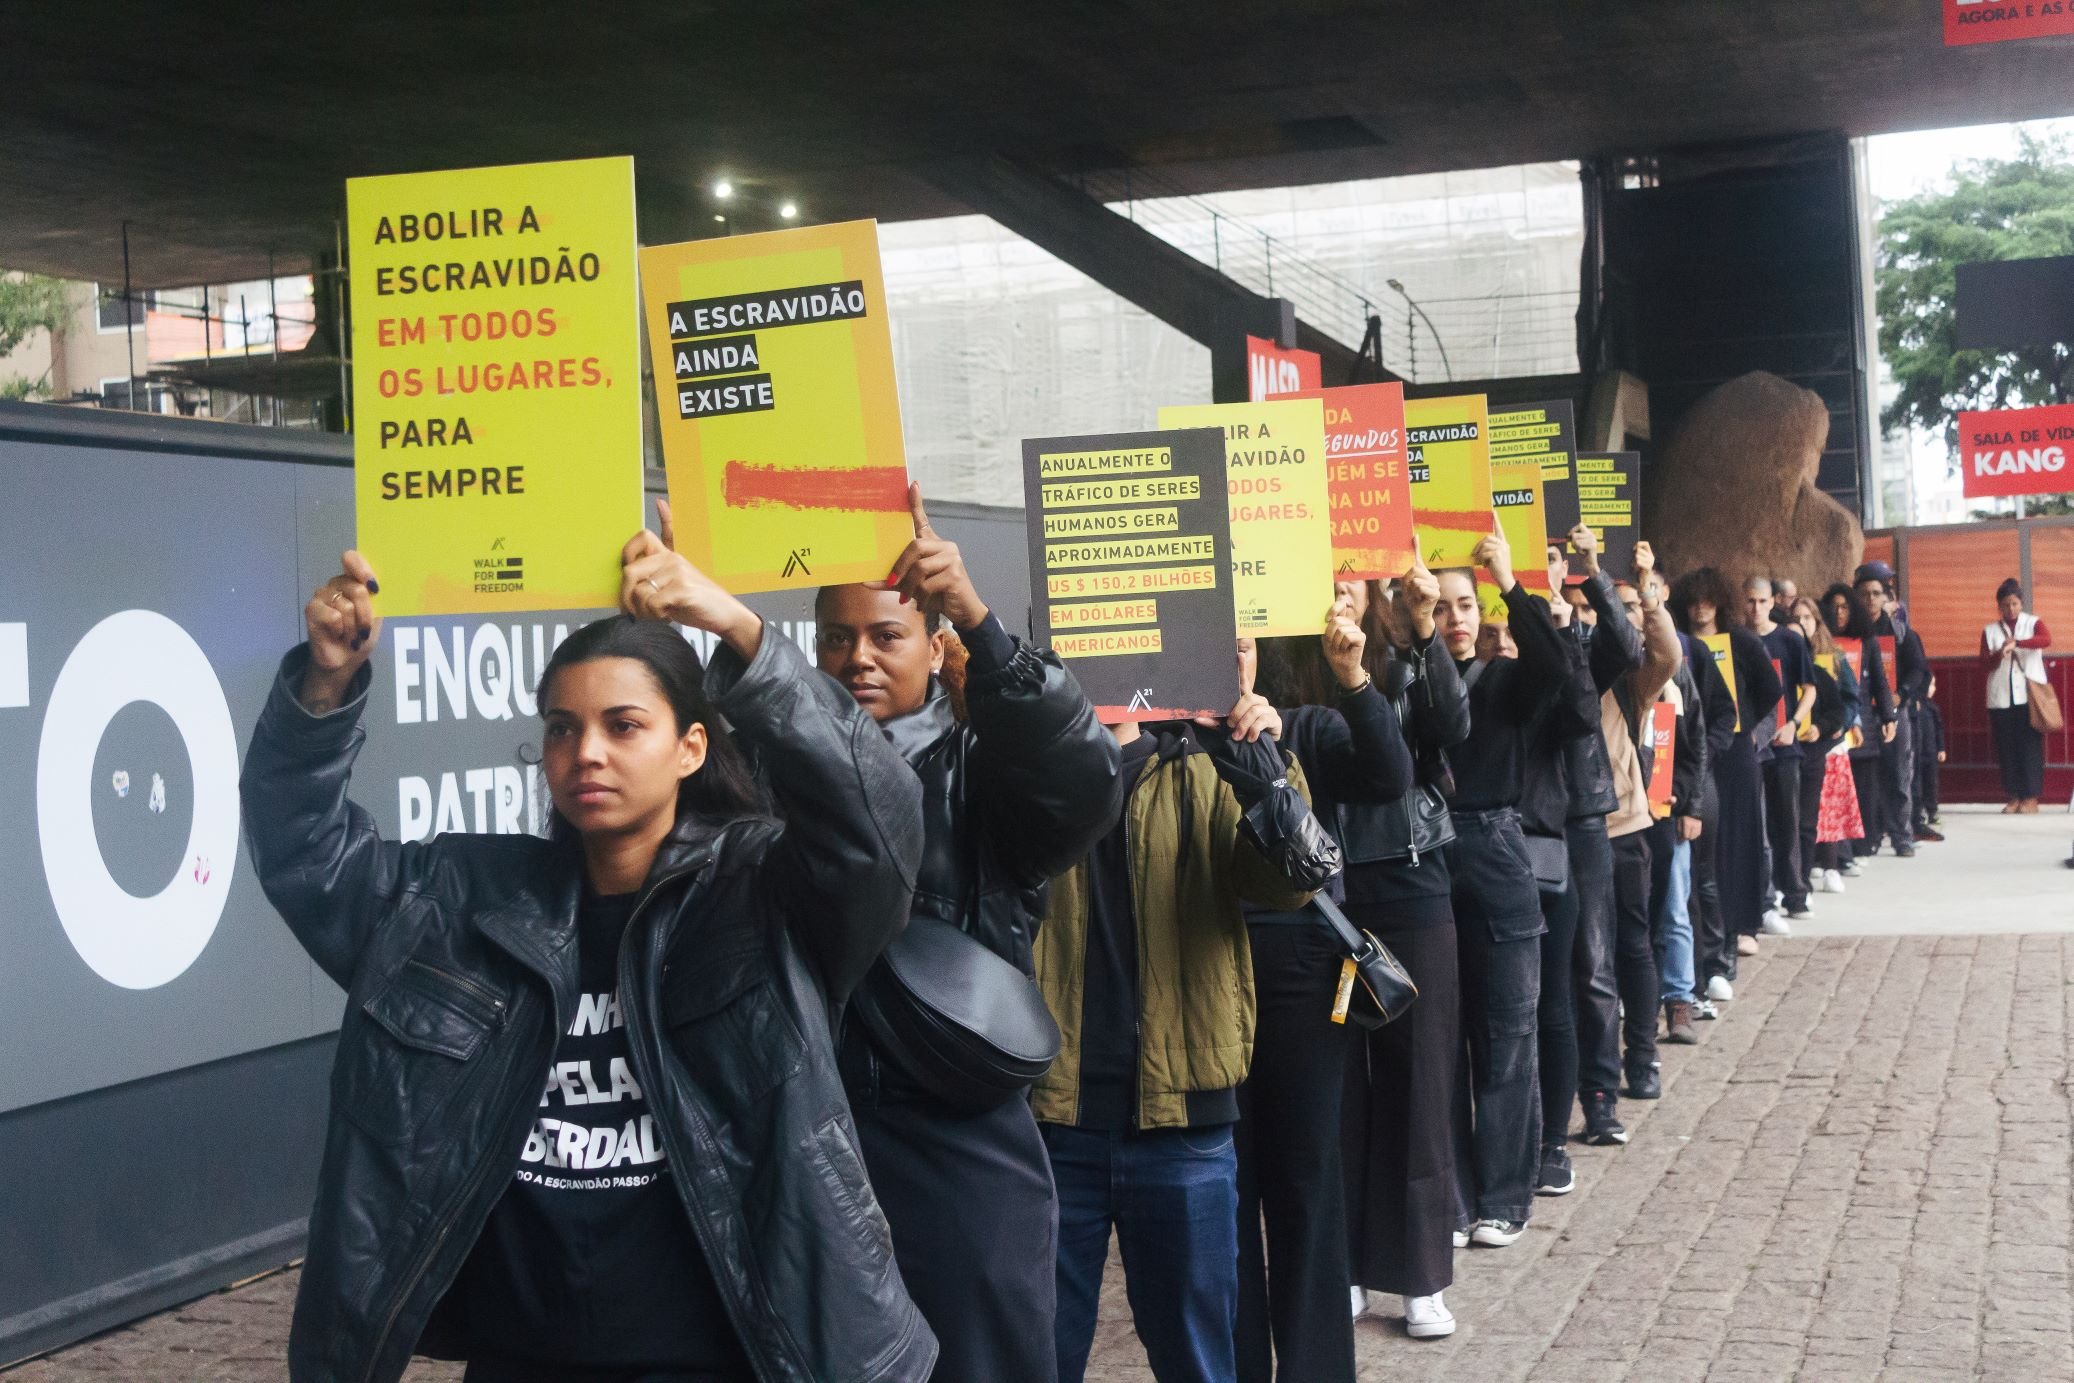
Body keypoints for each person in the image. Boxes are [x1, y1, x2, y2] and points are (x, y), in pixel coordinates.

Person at [240, 537, 938, 1383]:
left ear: (690, 747)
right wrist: (326, 682)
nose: (587, 753)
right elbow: (307, 851)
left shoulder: (762, 894)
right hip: (519, 1359)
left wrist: (729, 622)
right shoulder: (460, 902)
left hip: (717, 1358)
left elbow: (881, 826)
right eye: (563, 729)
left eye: (623, 725)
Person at [815, 485, 1123, 1383]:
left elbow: (1083, 780)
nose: (858, 657)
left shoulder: (982, 776)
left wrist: (983, 626)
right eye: (838, 636)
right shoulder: (774, 772)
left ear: (931, 643)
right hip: (822, 1144)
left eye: (886, 635)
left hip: (961, 1141)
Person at [1035, 645, 1324, 1383]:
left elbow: (1294, 881)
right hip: (1052, 1121)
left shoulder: (1207, 760)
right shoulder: (1029, 762)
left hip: (1183, 1126)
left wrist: (1260, 763)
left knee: (1199, 1359)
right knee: (1038, 1354)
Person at [1240, 599, 1417, 1381]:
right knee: (1224, 1193)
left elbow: (1388, 773)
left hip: (1306, 982)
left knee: (1307, 1183)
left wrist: (1353, 679)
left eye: (1237, 645)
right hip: (1202, 984)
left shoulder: (1298, 729)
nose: (1224, 662)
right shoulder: (1161, 743)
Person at [1436, 518, 1597, 1243]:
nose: (1453, 620)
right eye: (1439, 607)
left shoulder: (1505, 680)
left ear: (1484, 612)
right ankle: (1455, 1195)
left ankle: (1505, 1195)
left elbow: (1563, 671)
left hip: (1501, 853)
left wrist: (1510, 579)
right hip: (1429, 858)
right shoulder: (1410, 676)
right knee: (1442, 1040)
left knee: (1507, 1032)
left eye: (1464, 605)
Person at [1338, 563, 1473, 1342]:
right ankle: (1349, 1262)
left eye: (1351, 577)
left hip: (1410, 883)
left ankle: (1421, 1276)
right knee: (1341, 1087)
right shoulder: (1290, 668)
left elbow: (1450, 728)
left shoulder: (1403, 656)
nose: (1338, 591)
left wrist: (1425, 631)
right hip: (1322, 893)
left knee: (1420, 1078)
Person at [1536, 525, 1642, 1174]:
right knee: (1544, 982)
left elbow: (1627, 646)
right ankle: (1544, 1120)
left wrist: (1593, 569)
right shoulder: (1507, 639)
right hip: (1527, 822)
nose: (1544, 568)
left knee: (1594, 966)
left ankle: (1600, 1098)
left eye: (1552, 558)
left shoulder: (1578, 637)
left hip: (1581, 819)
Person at [1594, 550, 1681, 1104]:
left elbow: (1667, 652)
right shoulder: (1558, 662)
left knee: (1632, 947)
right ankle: (1594, 1072)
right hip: (1563, 832)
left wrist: (1647, 588)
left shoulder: (1632, 680)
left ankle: (1642, 1058)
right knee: (1587, 960)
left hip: (1625, 826)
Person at [1667, 569, 1779, 985]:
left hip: (1736, 756)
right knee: (1706, 855)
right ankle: (1708, 945)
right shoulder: (1679, 645)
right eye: (1694, 600)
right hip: (1695, 759)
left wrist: (1747, 728)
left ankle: (1740, 927)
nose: (1700, 608)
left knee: (1740, 843)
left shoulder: (1742, 641)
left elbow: (1771, 689)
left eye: (1708, 600)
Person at [1629, 579, 1710, 1046]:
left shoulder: (1678, 677)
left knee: (1674, 908)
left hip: (1668, 808)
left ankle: (1679, 1000)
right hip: (1624, 813)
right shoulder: (1614, 672)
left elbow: (1695, 741)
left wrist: (1692, 803)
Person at [1746, 578, 1816, 925]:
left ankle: (1796, 891)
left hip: (1786, 746)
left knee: (1787, 821)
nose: (1755, 608)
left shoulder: (1789, 639)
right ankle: (1763, 894)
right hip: (1751, 746)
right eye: (1750, 601)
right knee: (1757, 824)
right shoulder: (1737, 640)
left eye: (1761, 601)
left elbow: (1809, 689)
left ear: (1772, 601)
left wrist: (1794, 724)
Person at [1790, 595, 1862, 897]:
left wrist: (1832, 729)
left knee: (1824, 810)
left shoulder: (1830, 657)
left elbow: (1847, 699)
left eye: (1808, 618)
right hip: (1790, 747)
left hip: (1826, 745)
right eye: (1797, 618)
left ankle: (1829, 864)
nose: (1803, 624)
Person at [1855, 562, 1927, 856]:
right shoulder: (1852, 633)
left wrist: (1901, 695)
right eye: (1865, 594)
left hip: (1895, 713)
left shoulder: (1900, 633)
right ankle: (1868, 837)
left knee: (1899, 773)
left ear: (1886, 597)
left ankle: (1901, 836)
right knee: (1866, 777)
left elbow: (1918, 669)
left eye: (1876, 593)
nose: (1870, 599)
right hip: (1862, 714)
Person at [1823, 582, 1895, 869]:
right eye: (1834, 607)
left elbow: (1880, 682)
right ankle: (1836, 853)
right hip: (1831, 726)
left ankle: (1861, 845)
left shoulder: (1866, 642)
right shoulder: (1820, 642)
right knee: (1834, 793)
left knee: (1864, 789)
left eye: (1845, 607)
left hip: (1862, 725)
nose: (1839, 613)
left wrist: (1889, 716)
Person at [1982, 577, 2052, 813]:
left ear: (2021, 603)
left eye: (2014, 603)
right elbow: (1983, 662)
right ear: (1999, 606)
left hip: (2028, 697)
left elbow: (2046, 639)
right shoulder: (1990, 631)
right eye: (2005, 605)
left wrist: (2018, 643)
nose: (2010, 609)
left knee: (2029, 747)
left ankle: (2030, 797)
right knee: (2006, 748)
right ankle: (2012, 796)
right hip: (2000, 698)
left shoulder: (2033, 623)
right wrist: (1999, 653)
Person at [1914, 675, 1946, 841]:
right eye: (1931, 684)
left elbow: (1939, 729)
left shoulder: (1933, 708)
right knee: (1918, 783)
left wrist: (1941, 748)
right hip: (1918, 753)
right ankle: (1918, 812)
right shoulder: (1915, 707)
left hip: (1931, 752)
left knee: (1931, 782)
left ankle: (1932, 811)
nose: (1934, 688)